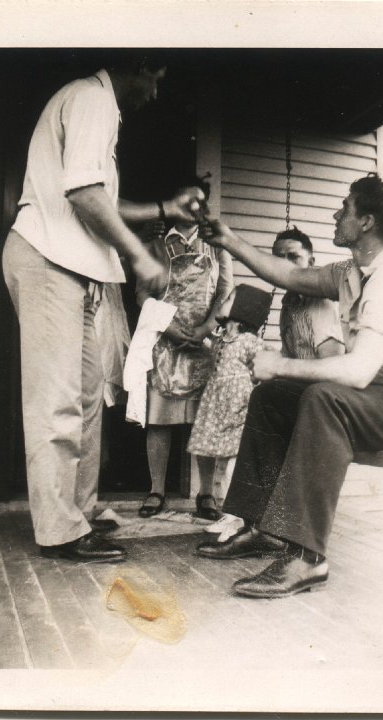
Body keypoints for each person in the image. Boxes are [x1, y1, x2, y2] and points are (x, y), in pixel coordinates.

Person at [2, 52, 205, 562]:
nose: (154, 93)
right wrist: (139, 255)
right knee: (58, 398)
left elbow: (103, 202)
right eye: (155, 78)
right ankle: (59, 531)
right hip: (49, 257)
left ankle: (81, 513)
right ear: (137, 66)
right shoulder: (93, 98)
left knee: (91, 396)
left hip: (77, 266)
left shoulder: (98, 109)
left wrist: (164, 209)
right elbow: (85, 196)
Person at [196, 173, 383, 598]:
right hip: (372, 397)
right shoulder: (351, 271)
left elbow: (359, 371)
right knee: (274, 397)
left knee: (323, 398)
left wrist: (280, 364)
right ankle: (262, 527)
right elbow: (289, 276)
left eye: (344, 208)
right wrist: (230, 240)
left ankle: (308, 557)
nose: (335, 214)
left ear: (365, 222)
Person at [135, 187, 234, 520]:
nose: (195, 208)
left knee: (202, 422)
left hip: (204, 343)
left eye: (200, 202)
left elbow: (226, 292)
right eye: (188, 201)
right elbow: (142, 295)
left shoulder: (217, 246)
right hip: (166, 343)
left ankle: (205, 494)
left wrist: (207, 328)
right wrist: (169, 327)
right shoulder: (155, 245)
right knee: (160, 421)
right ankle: (156, 491)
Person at [187, 284, 272, 535]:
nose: (223, 301)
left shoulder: (248, 341)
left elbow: (264, 366)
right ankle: (227, 512)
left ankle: (236, 514)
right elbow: (214, 354)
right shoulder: (222, 339)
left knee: (234, 459)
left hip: (237, 407)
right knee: (217, 455)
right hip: (216, 405)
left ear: (243, 308)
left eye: (230, 298)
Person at [273, 226, 344, 360]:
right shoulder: (289, 301)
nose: (284, 264)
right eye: (278, 258)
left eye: (293, 257)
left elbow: (331, 366)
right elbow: (289, 355)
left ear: (310, 263)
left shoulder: (321, 300)